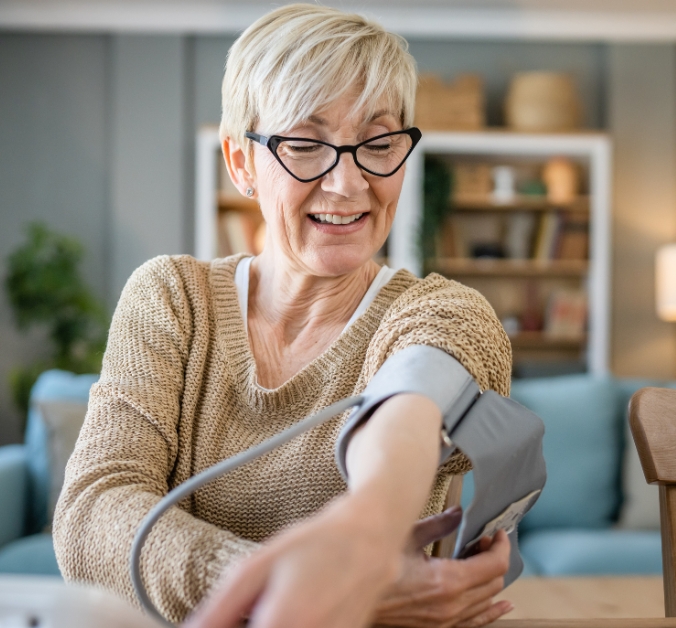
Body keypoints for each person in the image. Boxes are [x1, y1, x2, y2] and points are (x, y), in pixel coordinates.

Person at [52, 5, 514, 627]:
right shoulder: (171, 299)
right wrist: (322, 586)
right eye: (304, 144)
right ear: (241, 162)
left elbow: (411, 403)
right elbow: (92, 516)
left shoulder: (442, 312)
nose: (348, 185)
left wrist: (360, 535)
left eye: (377, 144)